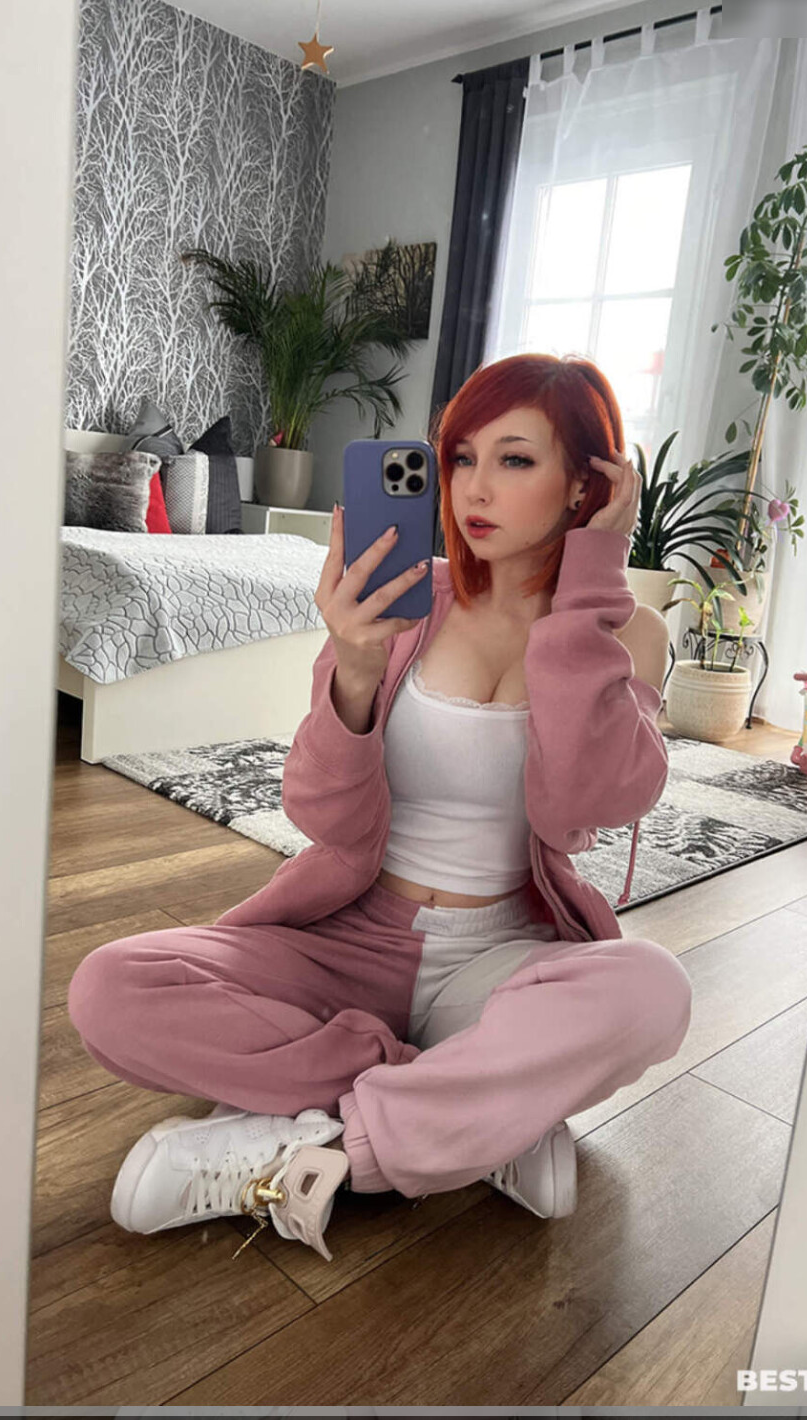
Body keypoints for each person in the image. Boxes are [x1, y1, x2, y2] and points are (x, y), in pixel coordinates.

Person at [66, 353, 693, 1263]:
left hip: (502, 959)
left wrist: (588, 597)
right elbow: (323, 817)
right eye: (462, 457)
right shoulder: (406, 599)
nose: (474, 489)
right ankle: (467, 1115)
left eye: (516, 460)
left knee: (652, 990)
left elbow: (589, 803)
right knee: (111, 990)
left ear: (585, 486)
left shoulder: (628, 632)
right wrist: (355, 666)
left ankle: (328, 1148)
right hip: (349, 941)